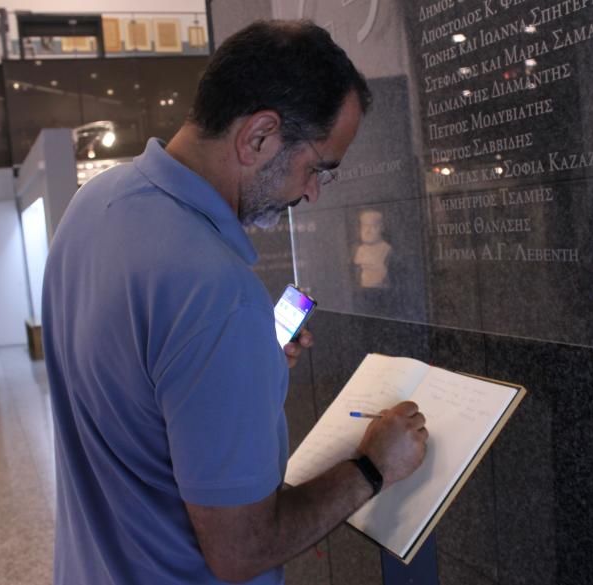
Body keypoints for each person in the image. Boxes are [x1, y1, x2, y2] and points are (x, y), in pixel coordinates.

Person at [42, 20, 428, 585]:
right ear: (259, 136)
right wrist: (372, 467)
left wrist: (240, 364)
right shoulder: (218, 295)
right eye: (317, 167)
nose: (312, 192)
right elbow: (241, 550)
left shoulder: (95, 201)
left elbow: (142, 383)